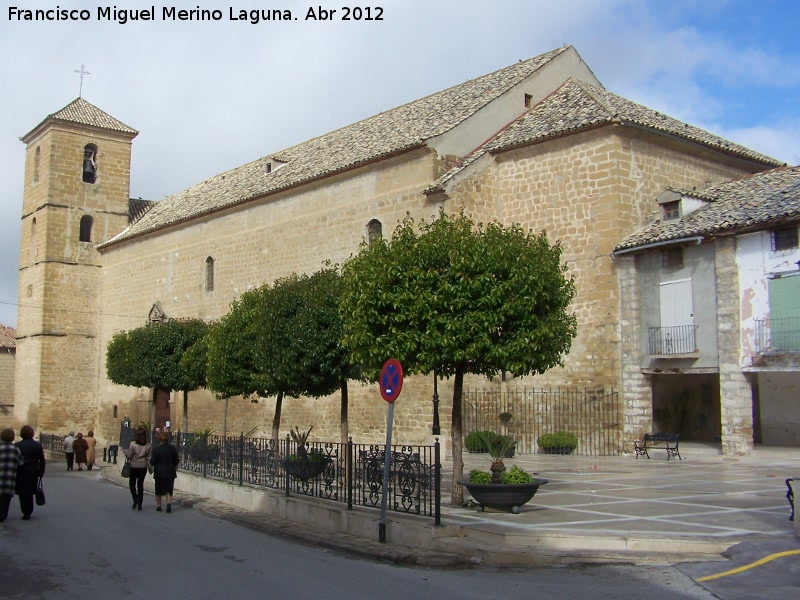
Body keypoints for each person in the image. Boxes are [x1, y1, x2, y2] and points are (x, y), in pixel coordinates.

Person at [15, 425, 46, 520]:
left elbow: (15, 459)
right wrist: (41, 472)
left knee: (22, 492)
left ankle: (25, 511)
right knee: (30, 491)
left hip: (21, 471)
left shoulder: (18, 445)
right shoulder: (37, 445)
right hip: (33, 471)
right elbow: (42, 460)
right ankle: (29, 511)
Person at [150, 430, 180, 513]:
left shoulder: (156, 450)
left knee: (158, 489)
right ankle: (168, 504)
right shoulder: (172, 449)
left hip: (159, 472)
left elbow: (152, 462)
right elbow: (176, 460)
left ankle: (159, 505)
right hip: (170, 472)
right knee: (169, 489)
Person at [123, 428, 151, 511]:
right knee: (140, 485)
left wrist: (125, 452)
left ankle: (135, 499)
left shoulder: (133, 444)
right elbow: (149, 457)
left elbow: (129, 456)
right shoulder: (148, 445)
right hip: (143, 466)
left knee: (132, 484)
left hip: (134, 466)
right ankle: (140, 503)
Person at [0, 428, 23, 522]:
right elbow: (20, 462)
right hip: (10, 476)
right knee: (7, 497)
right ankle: (4, 513)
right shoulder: (15, 449)